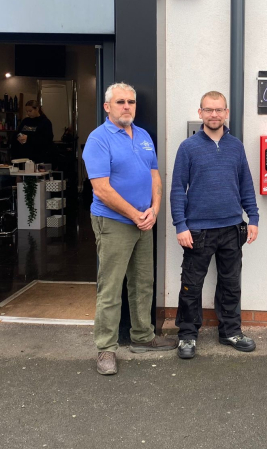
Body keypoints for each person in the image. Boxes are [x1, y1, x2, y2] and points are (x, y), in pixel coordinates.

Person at [83, 82, 177, 376]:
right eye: (121, 102)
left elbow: (155, 177)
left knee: (142, 283)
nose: (127, 106)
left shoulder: (144, 135)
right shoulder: (98, 139)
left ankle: (142, 337)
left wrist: (155, 210)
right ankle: (106, 349)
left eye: (131, 102)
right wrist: (136, 214)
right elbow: (101, 189)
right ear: (107, 107)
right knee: (110, 288)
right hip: (113, 223)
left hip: (144, 221)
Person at [170, 91, 260, 359]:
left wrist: (252, 217)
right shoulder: (188, 147)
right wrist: (180, 225)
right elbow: (177, 189)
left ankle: (230, 331)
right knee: (191, 285)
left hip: (232, 228)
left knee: (231, 284)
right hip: (198, 230)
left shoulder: (236, 146)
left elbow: (246, 184)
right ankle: (187, 336)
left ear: (226, 113)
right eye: (208, 110)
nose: (214, 115)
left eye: (219, 110)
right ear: (200, 113)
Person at [14, 100, 54, 164]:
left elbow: (47, 140)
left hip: (38, 157)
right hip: (24, 157)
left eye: (30, 111)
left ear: (37, 109)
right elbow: (18, 132)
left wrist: (29, 138)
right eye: (27, 111)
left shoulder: (45, 122)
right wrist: (19, 137)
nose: (28, 113)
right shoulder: (25, 121)